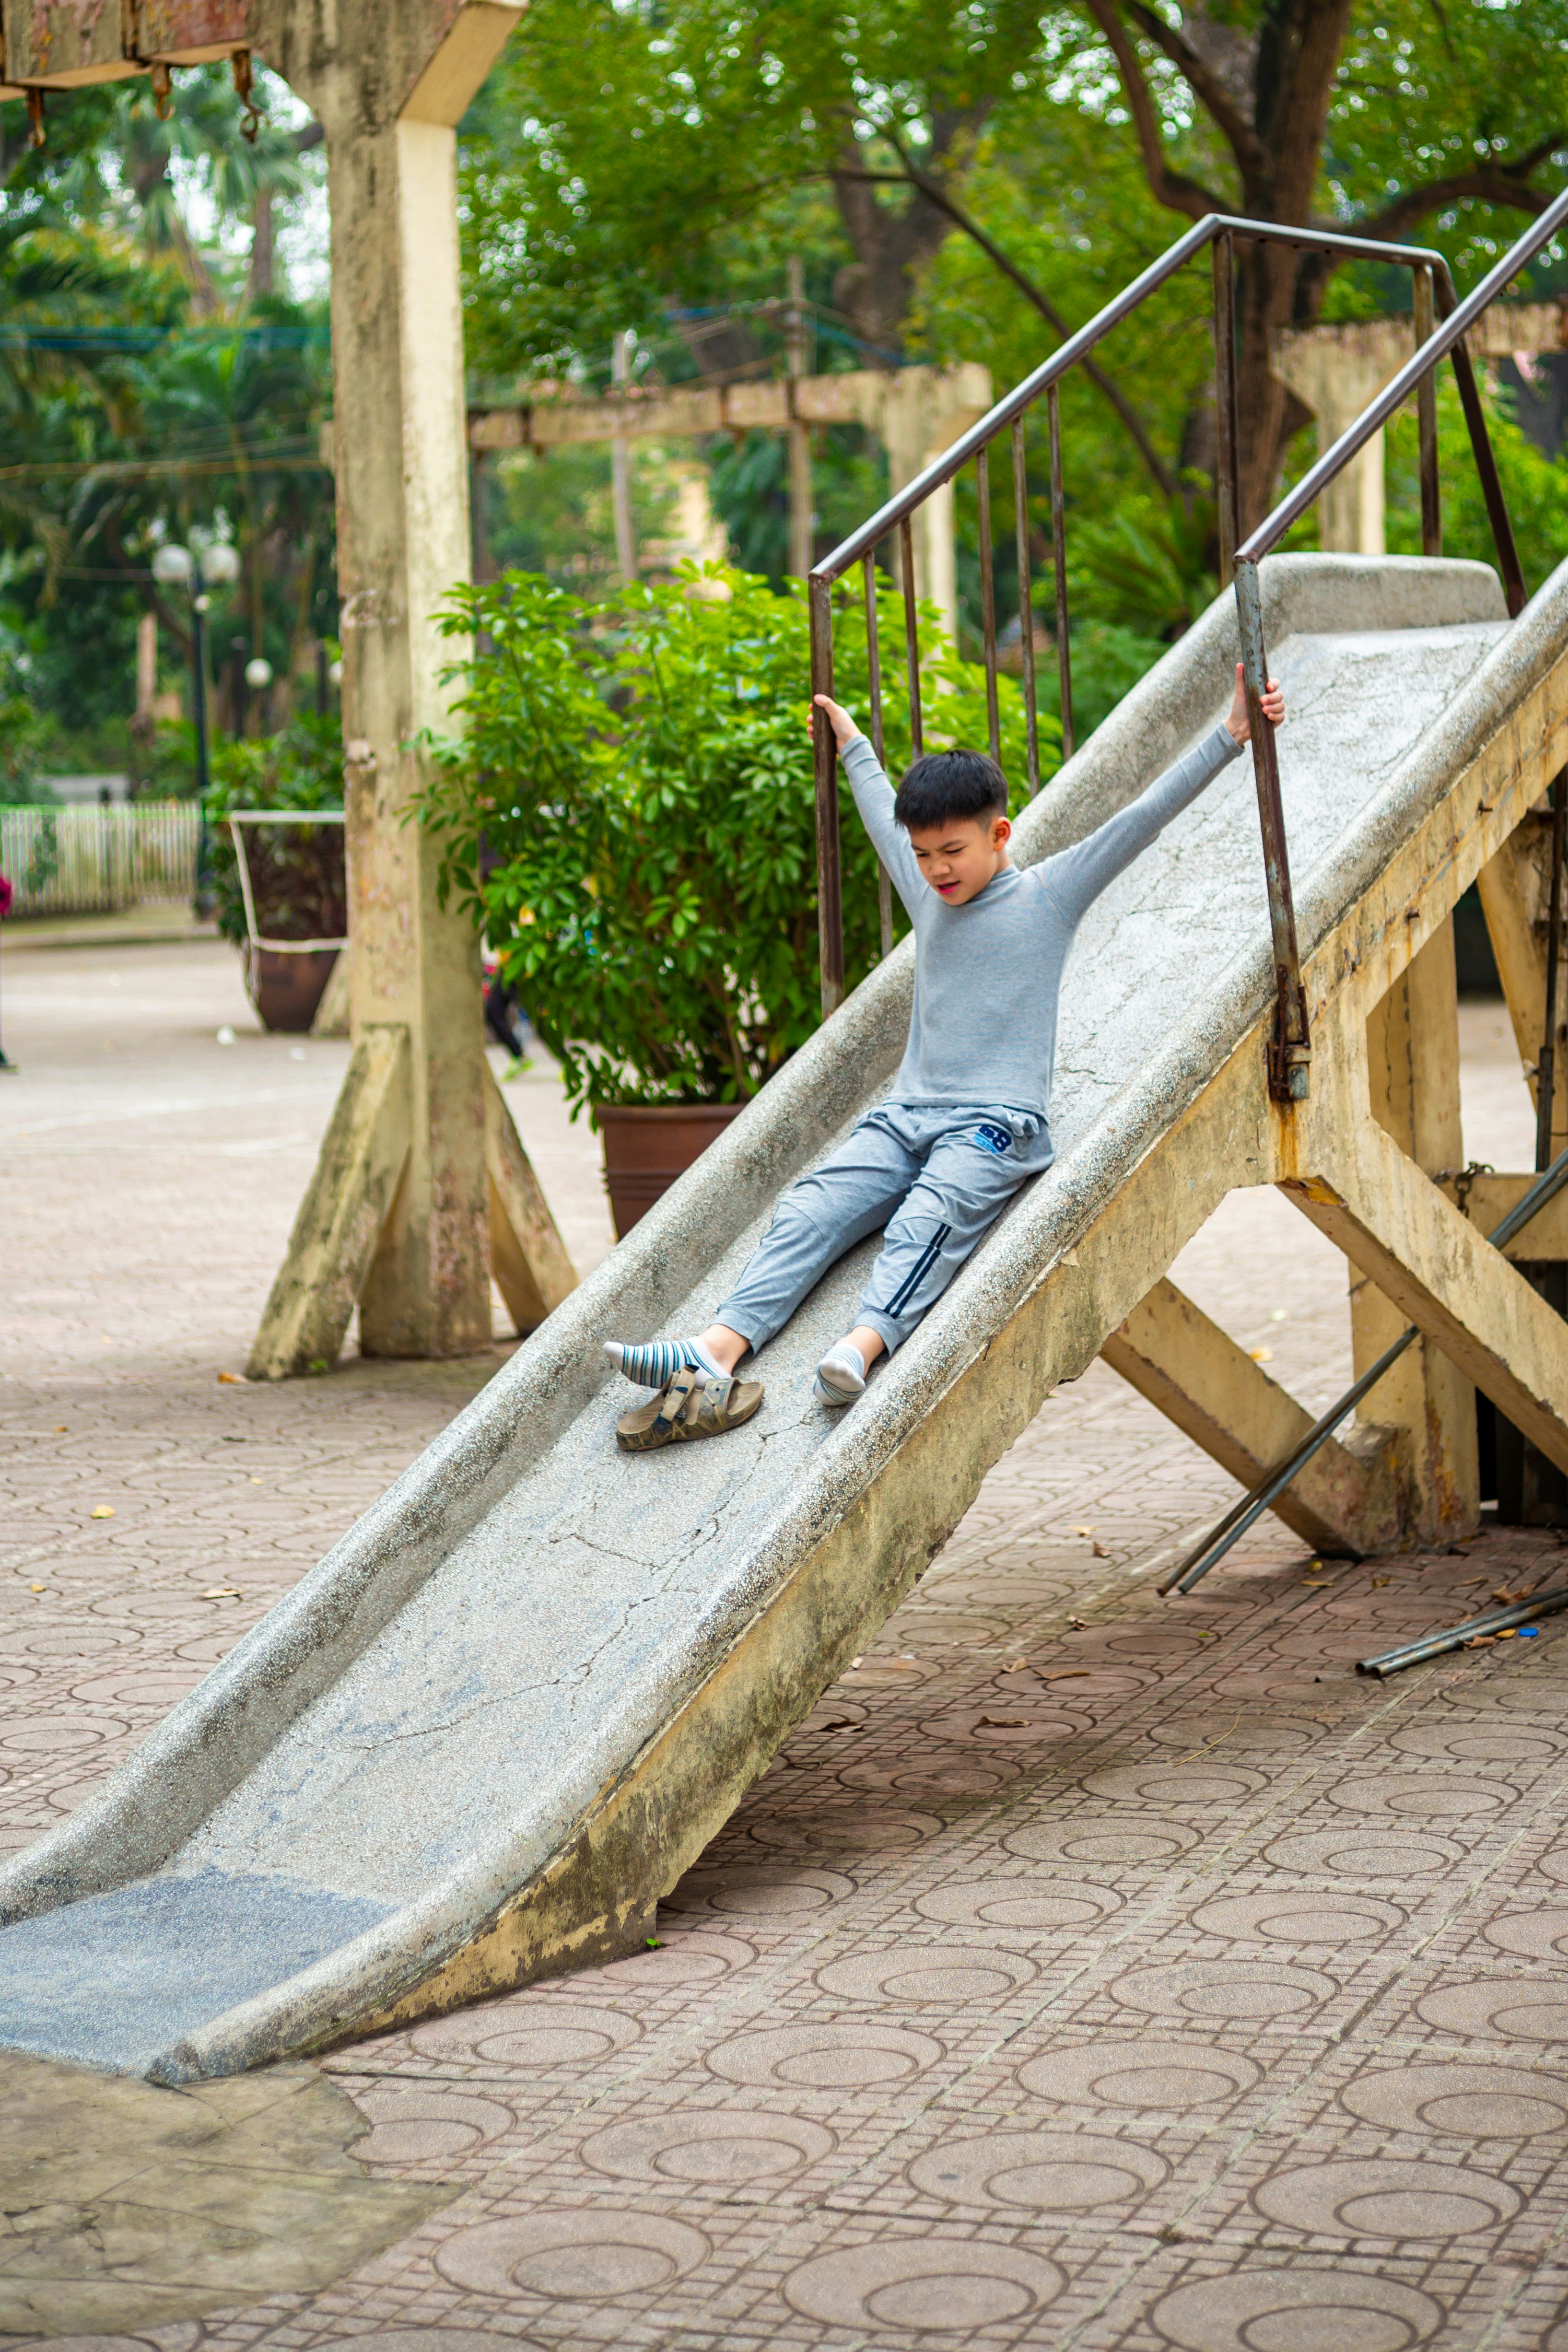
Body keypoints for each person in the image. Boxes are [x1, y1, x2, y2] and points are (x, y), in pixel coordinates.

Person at [605, 660, 1285, 1450]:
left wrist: (1231, 735)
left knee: (930, 1218)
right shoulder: (928, 893)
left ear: (999, 834)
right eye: (924, 854)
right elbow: (875, 817)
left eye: (953, 851)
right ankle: (712, 1352)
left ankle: (860, 1346)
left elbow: (1139, 820)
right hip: (906, 1115)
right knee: (810, 1207)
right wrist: (853, 745)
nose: (936, 870)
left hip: (996, 1124)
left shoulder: (1047, 895)